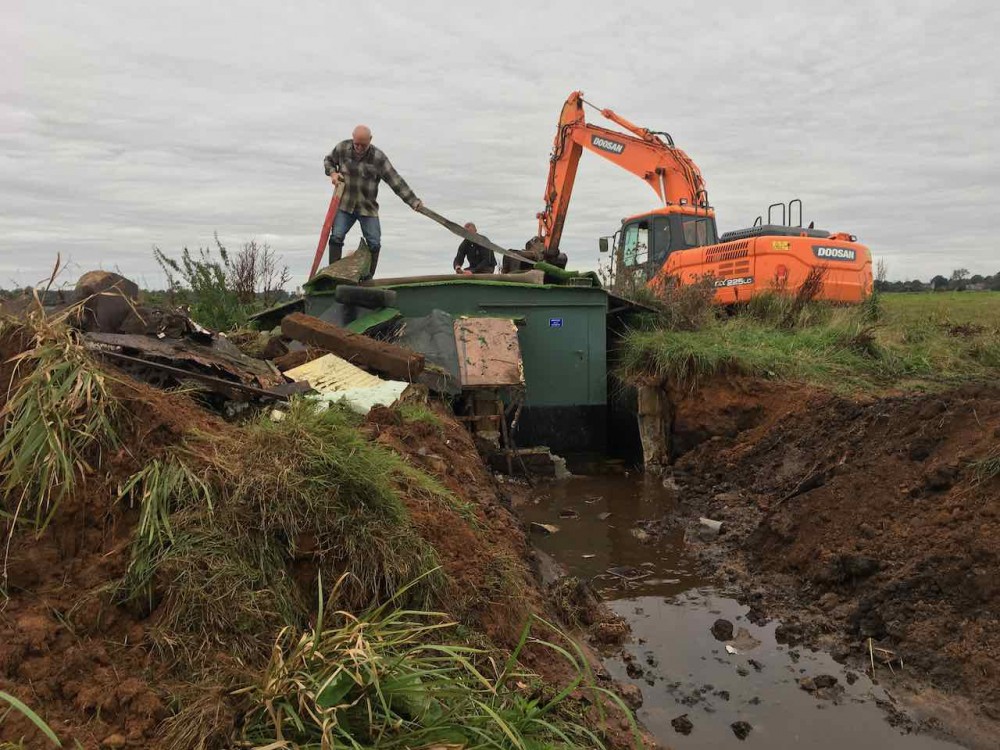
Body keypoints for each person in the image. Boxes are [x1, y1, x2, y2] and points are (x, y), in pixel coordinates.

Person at [323, 125, 423, 278]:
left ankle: (368, 277)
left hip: (367, 208)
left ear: (370, 140)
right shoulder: (342, 148)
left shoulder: (378, 158)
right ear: (352, 138)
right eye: (357, 144)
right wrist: (333, 173)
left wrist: (413, 202)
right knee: (336, 236)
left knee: (374, 242)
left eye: (363, 145)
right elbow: (328, 161)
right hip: (345, 205)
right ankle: (332, 274)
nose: (359, 148)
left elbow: (395, 181)